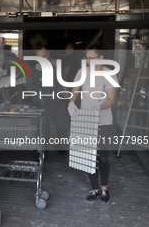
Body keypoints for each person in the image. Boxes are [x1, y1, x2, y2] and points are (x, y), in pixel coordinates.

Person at [67, 43, 118, 204]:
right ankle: (94, 189)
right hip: (86, 121)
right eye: (86, 58)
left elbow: (111, 100)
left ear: (101, 58)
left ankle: (104, 189)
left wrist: (99, 107)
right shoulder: (82, 72)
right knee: (88, 157)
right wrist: (71, 103)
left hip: (103, 121)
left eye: (91, 58)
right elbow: (75, 91)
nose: (88, 61)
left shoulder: (109, 75)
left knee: (102, 157)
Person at [34, 47, 70, 157]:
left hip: (58, 100)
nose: (44, 59)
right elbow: (34, 87)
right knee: (43, 127)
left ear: (48, 54)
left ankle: (62, 147)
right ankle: (43, 150)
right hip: (45, 101)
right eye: (41, 57)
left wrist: (66, 96)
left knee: (63, 125)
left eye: (45, 56)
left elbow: (62, 81)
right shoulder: (36, 70)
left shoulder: (56, 66)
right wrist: (39, 100)